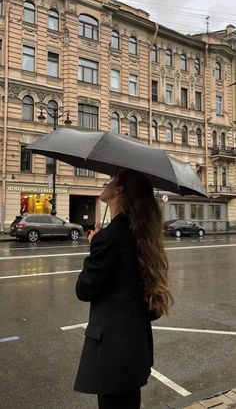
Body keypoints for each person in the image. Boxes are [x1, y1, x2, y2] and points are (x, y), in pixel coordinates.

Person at [74, 170, 174, 409]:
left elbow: (84, 289)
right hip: (135, 349)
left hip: (112, 353)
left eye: (111, 180)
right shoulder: (141, 233)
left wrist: (95, 244)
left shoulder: (112, 236)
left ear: (119, 190)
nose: (106, 183)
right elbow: (151, 308)